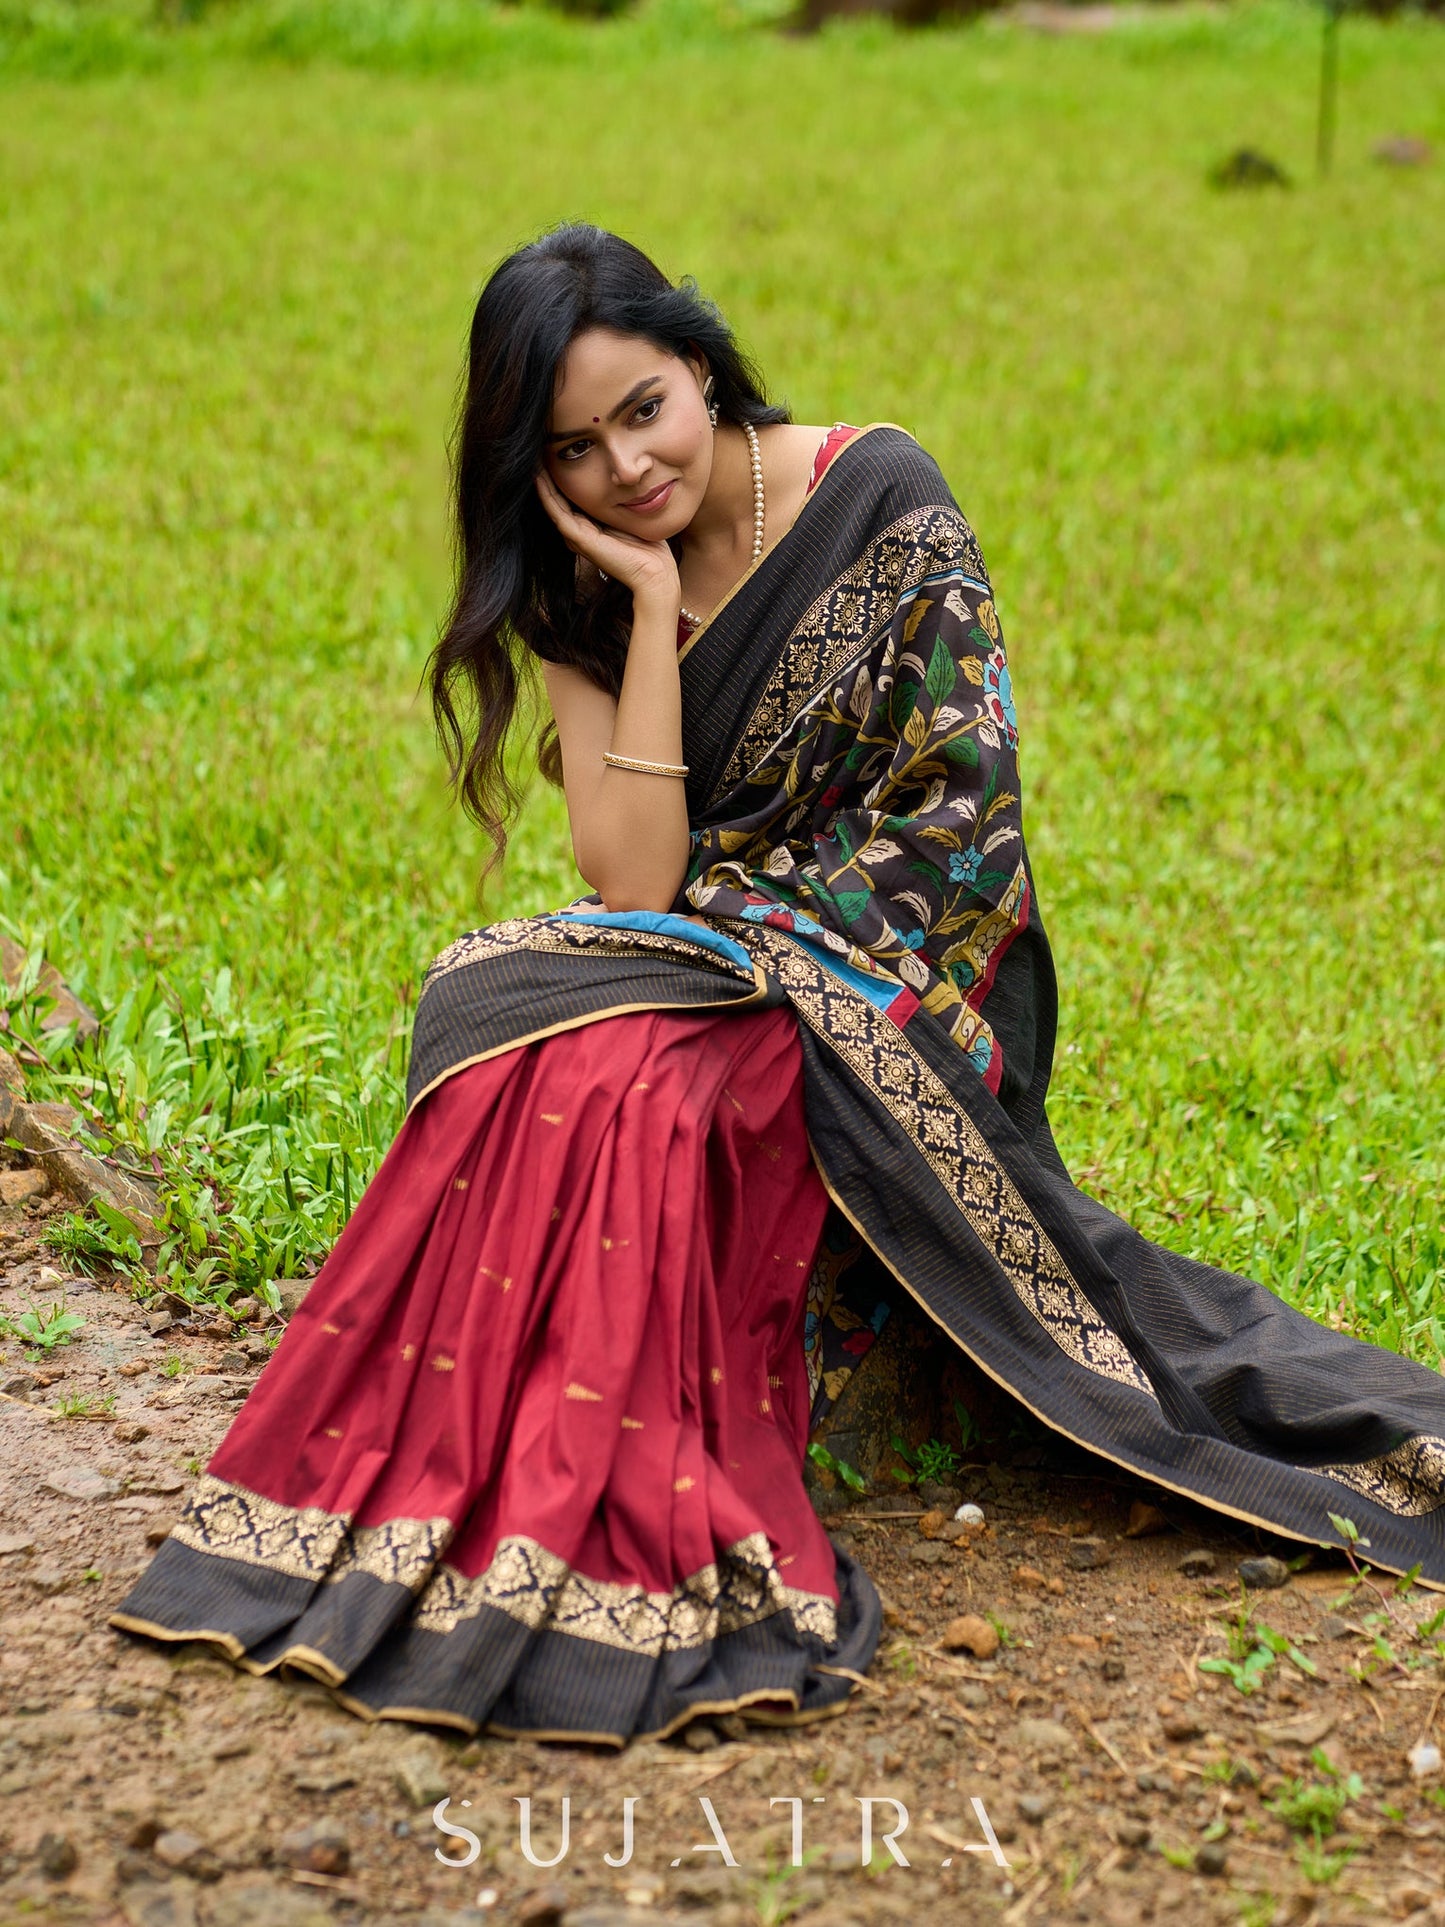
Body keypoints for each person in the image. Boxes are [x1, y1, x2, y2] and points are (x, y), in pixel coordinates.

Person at [111, 223, 1445, 1748]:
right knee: (500, 1018)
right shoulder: (578, 580)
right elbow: (633, 878)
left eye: (645, 409)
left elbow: (961, 825)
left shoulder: (878, 498)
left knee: (632, 1069)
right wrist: (637, 603)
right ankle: (511, 1469)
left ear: (701, 364)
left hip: (904, 972)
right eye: (574, 449)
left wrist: (756, 937)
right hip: (705, 952)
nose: (627, 466)